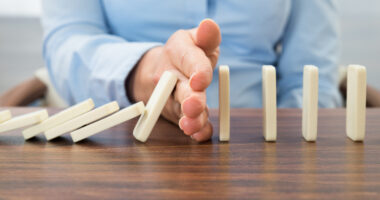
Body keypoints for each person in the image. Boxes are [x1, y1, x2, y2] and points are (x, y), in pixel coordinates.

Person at [41, 0, 342, 142]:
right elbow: (67, 42)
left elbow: (311, 73)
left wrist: (292, 148)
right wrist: (149, 72)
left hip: (263, 145)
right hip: (128, 142)